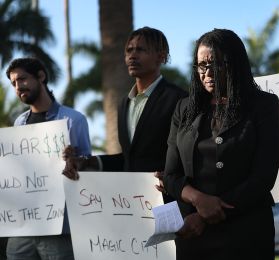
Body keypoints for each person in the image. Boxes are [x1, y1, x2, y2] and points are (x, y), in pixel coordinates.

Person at [160, 28, 279, 260]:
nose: (207, 73)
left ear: (234, 63)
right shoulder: (184, 109)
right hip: (193, 235)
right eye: (201, 65)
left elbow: (263, 177)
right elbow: (171, 174)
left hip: (245, 234)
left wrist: (207, 214)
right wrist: (198, 200)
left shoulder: (263, 105)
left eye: (216, 64)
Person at [62, 27, 187, 188]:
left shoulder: (178, 99)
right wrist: (86, 163)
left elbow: (188, 156)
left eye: (140, 50)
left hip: (168, 201)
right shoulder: (124, 104)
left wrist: (173, 181)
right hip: (133, 203)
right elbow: (129, 160)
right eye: (129, 50)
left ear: (161, 57)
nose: (132, 56)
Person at [5, 57, 91, 260]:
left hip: (59, 227)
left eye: (22, 79)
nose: (18, 87)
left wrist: (75, 161)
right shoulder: (19, 123)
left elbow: (89, 169)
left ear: (41, 76)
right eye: (14, 83)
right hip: (22, 227)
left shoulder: (73, 120)